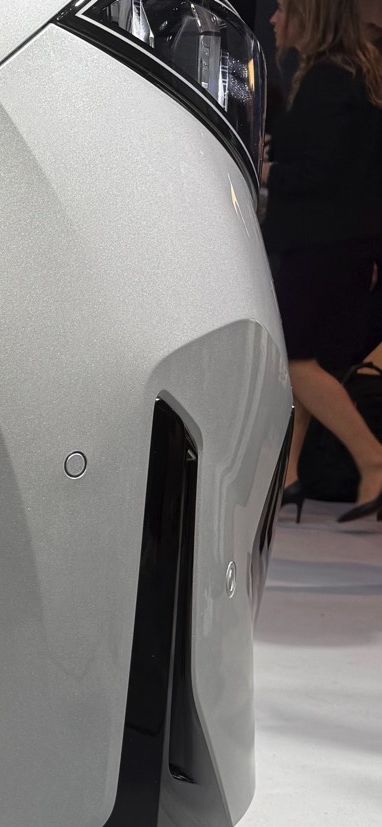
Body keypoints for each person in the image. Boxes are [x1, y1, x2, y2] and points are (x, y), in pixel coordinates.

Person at [267, 0, 382, 521]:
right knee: (310, 362)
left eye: (283, 9)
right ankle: (289, 475)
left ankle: (372, 459)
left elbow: (319, 170)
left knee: (296, 363)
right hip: (345, 245)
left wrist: (269, 173)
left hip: (319, 245)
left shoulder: (327, 81)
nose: (273, 19)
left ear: (307, 18)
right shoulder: (357, 78)